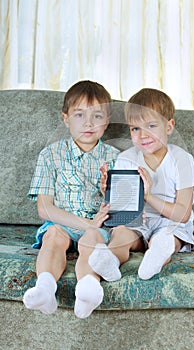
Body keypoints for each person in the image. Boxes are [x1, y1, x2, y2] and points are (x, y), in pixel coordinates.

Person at [23, 80, 120, 318]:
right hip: (63, 223)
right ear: (66, 119)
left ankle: (88, 289)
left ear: (106, 121)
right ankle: (45, 288)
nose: (88, 123)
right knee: (53, 235)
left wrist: (108, 190)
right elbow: (45, 209)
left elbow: (122, 210)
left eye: (97, 116)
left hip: (97, 228)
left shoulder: (116, 157)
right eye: (79, 115)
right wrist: (87, 223)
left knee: (92, 240)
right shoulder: (50, 154)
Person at [88, 87, 194, 282]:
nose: (143, 135)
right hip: (139, 221)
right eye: (135, 129)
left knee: (167, 236)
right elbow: (123, 211)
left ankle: (157, 255)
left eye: (151, 126)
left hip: (171, 222)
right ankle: (110, 261)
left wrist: (148, 196)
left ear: (169, 126)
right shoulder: (127, 158)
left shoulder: (182, 159)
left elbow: (182, 215)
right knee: (121, 233)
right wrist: (109, 193)